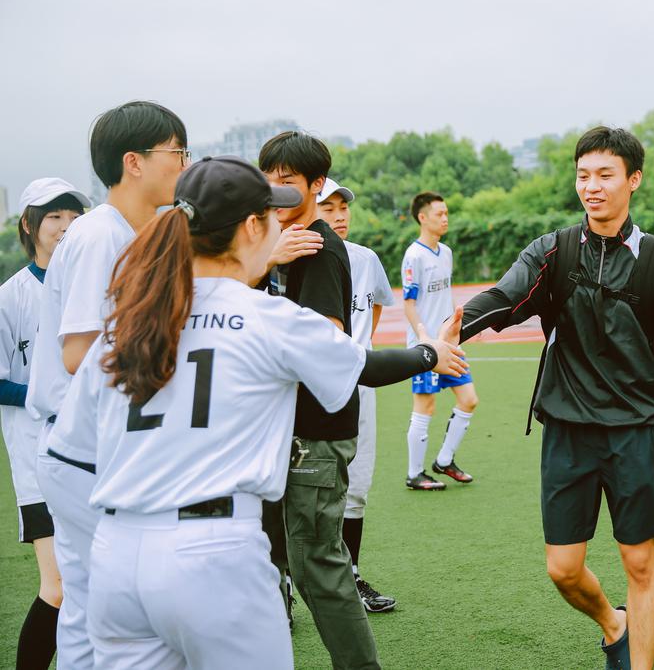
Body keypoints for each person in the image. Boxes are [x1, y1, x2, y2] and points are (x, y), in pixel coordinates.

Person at [71, 155, 465, 669]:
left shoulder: (129, 321)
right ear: (252, 227)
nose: (283, 221)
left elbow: (73, 451)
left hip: (115, 554)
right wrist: (431, 352)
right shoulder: (267, 317)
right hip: (213, 552)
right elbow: (359, 365)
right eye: (270, 214)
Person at [456, 126, 654, 670]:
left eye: (606, 175)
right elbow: (504, 298)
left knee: (640, 564)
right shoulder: (554, 252)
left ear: (633, 180)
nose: (592, 186)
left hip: (632, 433)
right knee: (562, 569)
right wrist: (452, 331)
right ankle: (614, 624)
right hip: (567, 432)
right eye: (583, 175)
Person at [28, 100, 188, 670]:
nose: (184, 164)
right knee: (112, 601)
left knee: (86, 605)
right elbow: (79, 353)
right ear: (134, 162)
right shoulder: (101, 235)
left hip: (89, 446)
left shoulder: (133, 231)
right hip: (83, 448)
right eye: (176, 152)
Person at [258, 131, 383, 667]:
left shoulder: (318, 246)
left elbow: (326, 340)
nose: (275, 189)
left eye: (287, 180)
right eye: (268, 179)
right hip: (279, 428)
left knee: (318, 567)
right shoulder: (275, 242)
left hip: (316, 432)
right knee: (271, 556)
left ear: (316, 185)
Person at [0, 178, 88, 670]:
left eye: (74, 216)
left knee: (99, 584)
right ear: (29, 225)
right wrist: (53, 398)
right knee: (58, 588)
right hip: (38, 463)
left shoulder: (94, 288)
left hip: (95, 457)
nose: (66, 226)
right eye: (54, 216)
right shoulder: (10, 297)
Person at [316, 177, 398, 612]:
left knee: (357, 485)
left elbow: (378, 303)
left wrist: (360, 345)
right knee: (301, 489)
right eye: (327, 208)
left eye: (342, 207)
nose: (339, 215)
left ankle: (352, 576)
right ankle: (284, 584)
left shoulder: (366, 258)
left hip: (359, 386)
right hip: (311, 389)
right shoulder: (296, 255)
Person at [401, 191, 479, 491]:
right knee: (425, 406)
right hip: (425, 346)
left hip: (449, 344)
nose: (445, 219)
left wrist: (459, 327)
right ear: (423, 218)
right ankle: (414, 473)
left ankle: (445, 460)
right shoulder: (414, 256)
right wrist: (424, 337)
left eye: (447, 213)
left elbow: (445, 297)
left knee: (469, 399)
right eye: (439, 214)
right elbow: (409, 304)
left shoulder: (445, 252)